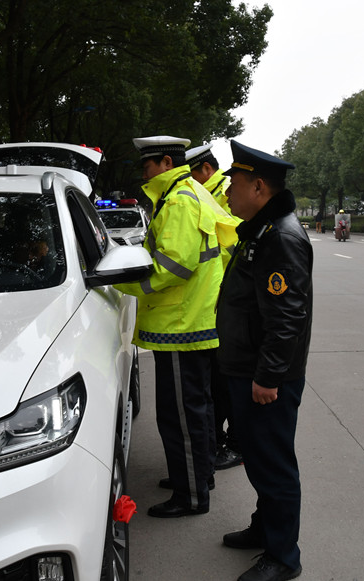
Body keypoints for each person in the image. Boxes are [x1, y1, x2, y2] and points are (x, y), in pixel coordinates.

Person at [216, 140, 313, 581]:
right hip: (248, 368)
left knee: (273, 463)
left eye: (233, 184)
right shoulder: (260, 231)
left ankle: (282, 557)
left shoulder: (280, 238)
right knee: (258, 458)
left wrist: (269, 376)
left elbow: (288, 316)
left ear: (258, 186)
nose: (227, 193)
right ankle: (264, 529)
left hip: (265, 376)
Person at [114, 135, 224, 518]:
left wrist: (123, 283)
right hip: (192, 320)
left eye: (146, 165)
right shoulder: (186, 192)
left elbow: (174, 266)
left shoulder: (178, 201)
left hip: (181, 323)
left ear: (163, 162)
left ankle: (190, 495)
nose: (143, 172)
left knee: (181, 415)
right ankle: (198, 476)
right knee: (197, 409)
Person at [185, 143, 243, 472]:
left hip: (229, 299)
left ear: (206, 170)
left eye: (191, 173)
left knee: (228, 378)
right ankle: (222, 440)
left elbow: (230, 248)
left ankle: (235, 443)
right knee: (219, 379)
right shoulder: (210, 193)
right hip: (219, 300)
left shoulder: (222, 193)